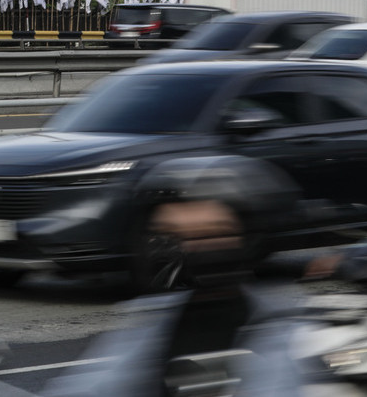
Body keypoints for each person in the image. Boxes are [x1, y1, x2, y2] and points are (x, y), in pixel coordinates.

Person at [44, 156, 314, 397]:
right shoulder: (154, 318)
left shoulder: (284, 330)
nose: (190, 249)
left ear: (247, 239)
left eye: (210, 233)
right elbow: (95, 386)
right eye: (170, 236)